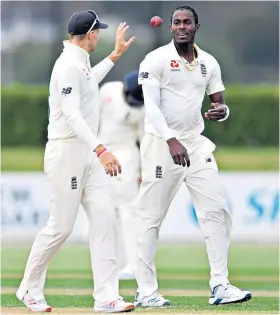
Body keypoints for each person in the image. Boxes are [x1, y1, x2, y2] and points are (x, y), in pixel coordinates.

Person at [16, 10, 136, 313]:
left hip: (88, 153)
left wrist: (113, 56)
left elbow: (89, 83)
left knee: (104, 217)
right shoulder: (67, 65)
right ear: (91, 34)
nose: (100, 37)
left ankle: (107, 297)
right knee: (61, 227)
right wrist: (101, 149)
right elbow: (72, 114)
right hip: (67, 152)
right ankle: (29, 289)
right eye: (100, 33)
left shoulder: (80, 63)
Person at [134, 5, 252, 307]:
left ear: (196, 26)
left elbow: (220, 104)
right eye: (176, 22)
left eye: (187, 22)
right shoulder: (155, 59)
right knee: (150, 218)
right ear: (170, 27)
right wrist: (171, 139)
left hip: (196, 145)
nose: (181, 26)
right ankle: (146, 291)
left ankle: (220, 285)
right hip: (162, 145)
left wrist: (222, 113)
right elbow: (152, 107)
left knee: (217, 212)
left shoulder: (209, 63)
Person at [98, 71, 145, 280]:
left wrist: (145, 170)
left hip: (126, 155)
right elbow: (92, 118)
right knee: (104, 209)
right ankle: (109, 262)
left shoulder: (145, 107)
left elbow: (145, 140)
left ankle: (134, 264)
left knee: (129, 209)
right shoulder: (108, 89)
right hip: (101, 152)